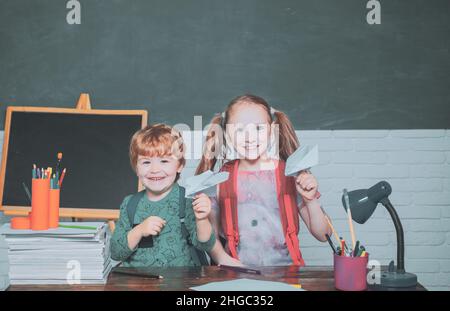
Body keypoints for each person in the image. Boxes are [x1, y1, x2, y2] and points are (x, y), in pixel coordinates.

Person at [197, 94, 332, 266]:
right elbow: (210, 240)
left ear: (272, 129)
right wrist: (224, 260)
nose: (249, 137)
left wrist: (310, 200)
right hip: (237, 275)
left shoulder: (291, 175)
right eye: (239, 130)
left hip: (288, 275)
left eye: (258, 128)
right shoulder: (219, 181)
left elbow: (324, 235)